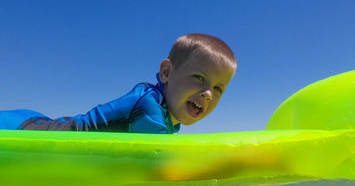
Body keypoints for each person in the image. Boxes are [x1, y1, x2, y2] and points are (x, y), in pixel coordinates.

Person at [0, 33, 237, 134]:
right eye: (199, 77)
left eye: (218, 88)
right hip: (28, 131)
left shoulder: (167, 114)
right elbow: (166, 170)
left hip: (35, 120)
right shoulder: (149, 110)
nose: (208, 93)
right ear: (166, 73)